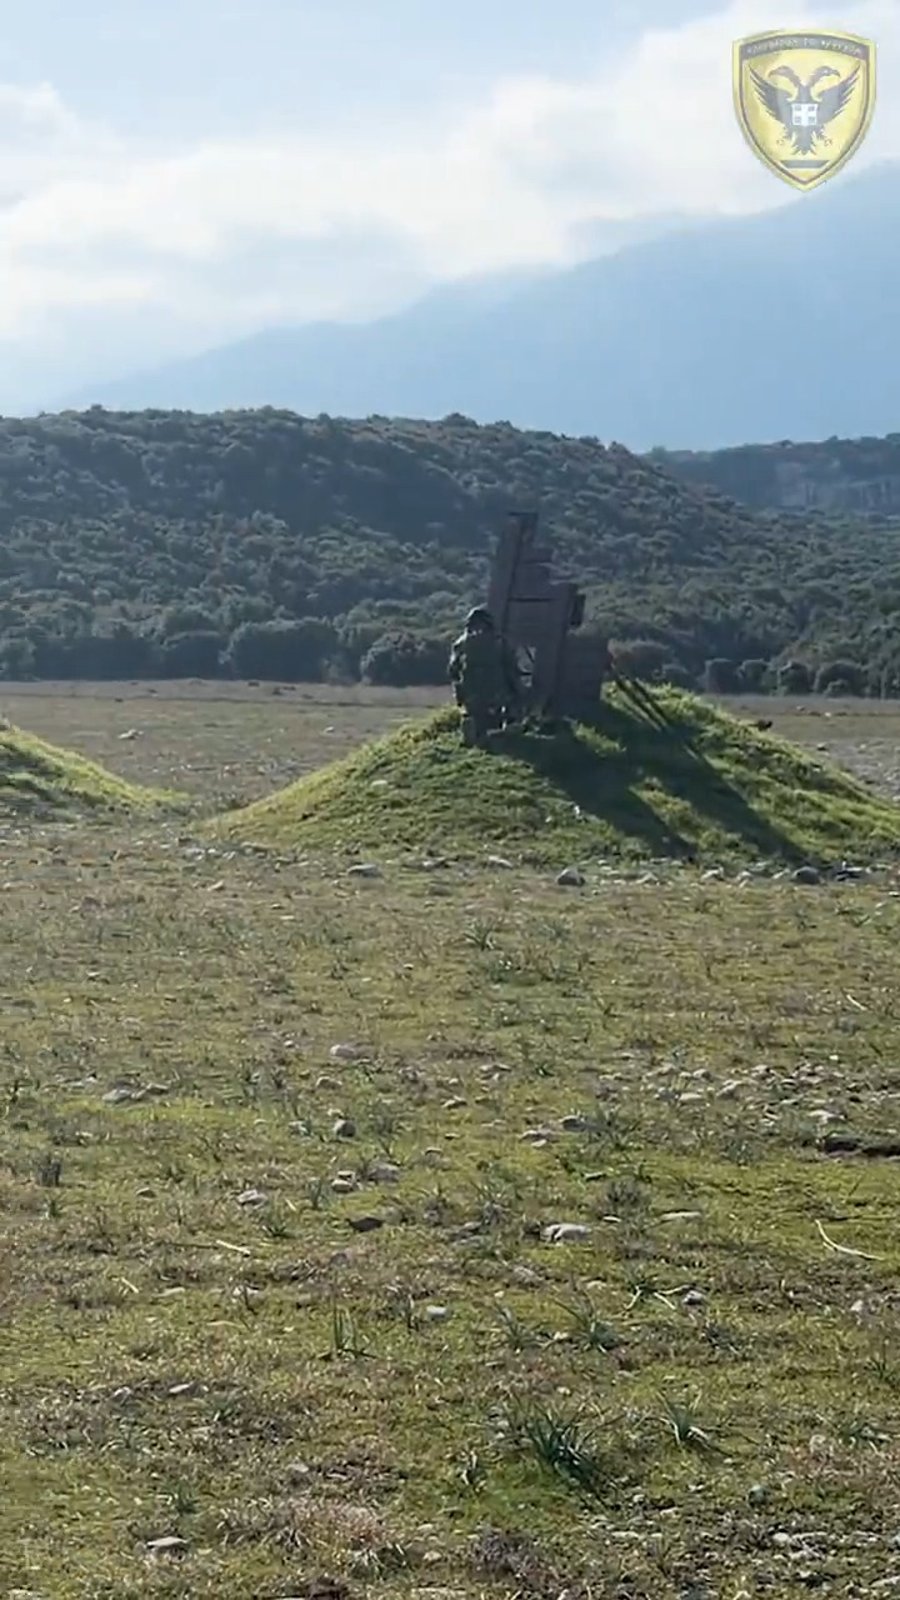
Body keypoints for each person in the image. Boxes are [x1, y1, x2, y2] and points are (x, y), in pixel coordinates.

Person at [448, 606, 521, 745]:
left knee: (474, 713)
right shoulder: (500, 641)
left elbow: (453, 669)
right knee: (511, 703)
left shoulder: (461, 643)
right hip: (497, 691)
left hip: (471, 691)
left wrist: (459, 692)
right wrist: (517, 689)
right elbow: (511, 668)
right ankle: (509, 724)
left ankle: (474, 728)